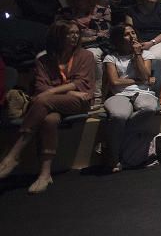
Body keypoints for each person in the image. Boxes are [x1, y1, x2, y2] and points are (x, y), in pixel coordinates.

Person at [0, 21, 95, 193]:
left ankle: (14, 153)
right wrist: (68, 91)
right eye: (69, 33)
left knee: (43, 101)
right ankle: (44, 174)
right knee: (49, 120)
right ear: (58, 36)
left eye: (76, 33)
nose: (74, 36)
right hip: (54, 105)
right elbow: (40, 88)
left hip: (79, 103)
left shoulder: (85, 56)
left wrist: (53, 91)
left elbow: (81, 83)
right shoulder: (43, 60)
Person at [102, 24, 160, 173]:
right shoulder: (111, 57)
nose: (132, 36)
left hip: (143, 93)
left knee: (149, 108)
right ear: (119, 39)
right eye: (127, 34)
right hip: (119, 94)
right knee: (119, 115)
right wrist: (139, 80)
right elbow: (114, 81)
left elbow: (144, 76)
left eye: (133, 33)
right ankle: (114, 158)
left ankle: (114, 141)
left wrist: (137, 55)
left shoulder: (145, 54)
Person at [58, 0, 112, 104]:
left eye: (84, 0)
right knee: (43, 55)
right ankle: (59, 90)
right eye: (77, 0)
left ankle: (96, 95)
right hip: (68, 45)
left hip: (96, 45)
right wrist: (90, 34)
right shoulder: (65, 12)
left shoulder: (102, 11)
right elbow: (59, 33)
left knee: (93, 55)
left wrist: (82, 37)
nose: (81, 3)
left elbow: (105, 34)